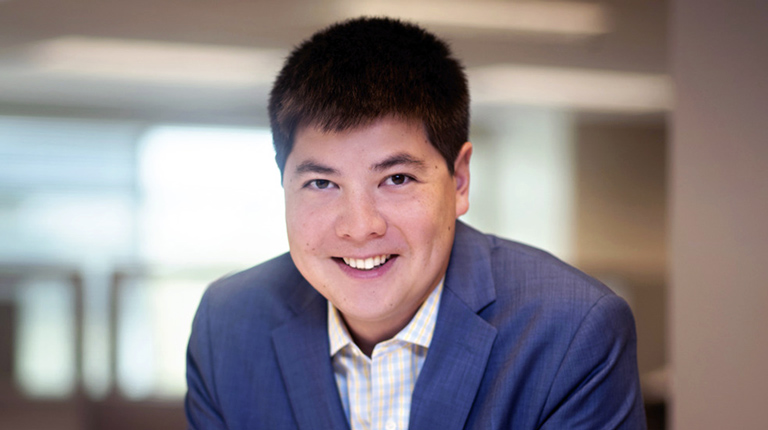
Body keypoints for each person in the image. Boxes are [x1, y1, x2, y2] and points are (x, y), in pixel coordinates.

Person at [185, 17, 647, 430]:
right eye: (322, 183)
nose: (359, 227)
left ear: (460, 179)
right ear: (283, 182)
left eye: (397, 178)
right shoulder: (228, 325)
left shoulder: (572, 331)